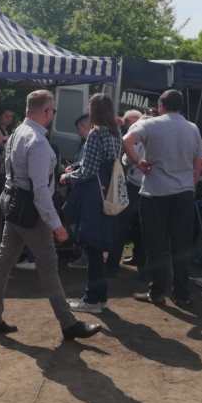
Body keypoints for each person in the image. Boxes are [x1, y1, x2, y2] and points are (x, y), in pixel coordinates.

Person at [0, 90, 101, 340]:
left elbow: (15, 176)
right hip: (30, 209)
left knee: (4, 260)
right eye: (52, 110)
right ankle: (69, 323)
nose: (52, 114)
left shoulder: (16, 134)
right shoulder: (36, 141)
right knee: (47, 264)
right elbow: (40, 190)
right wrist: (55, 224)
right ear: (47, 111)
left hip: (13, 202)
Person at [124, 89, 202, 308]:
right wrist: (191, 186)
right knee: (181, 246)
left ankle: (157, 292)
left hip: (155, 193)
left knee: (155, 246)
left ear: (161, 106)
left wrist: (138, 161)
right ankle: (182, 294)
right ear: (181, 107)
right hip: (183, 194)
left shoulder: (150, 124)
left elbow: (126, 140)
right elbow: (199, 163)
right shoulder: (192, 128)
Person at [61, 94, 122, 313]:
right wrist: (76, 166)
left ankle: (91, 300)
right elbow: (99, 164)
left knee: (93, 249)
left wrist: (68, 177)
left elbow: (89, 171)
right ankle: (101, 297)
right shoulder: (116, 133)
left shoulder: (96, 134)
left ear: (93, 109)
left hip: (93, 195)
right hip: (108, 192)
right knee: (97, 250)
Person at [105, 109, 145, 272]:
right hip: (151, 188)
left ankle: (112, 265)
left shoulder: (137, 134)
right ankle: (141, 265)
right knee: (141, 228)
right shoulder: (158, 132)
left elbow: (126, 158)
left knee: (120, 226)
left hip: (134, 185)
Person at [66, 113, 91, 270]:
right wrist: (73, 166)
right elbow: (81, 164)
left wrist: (68, 175)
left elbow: (86, 169)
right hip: (81, 188)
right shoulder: (85, 143)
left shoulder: (90, 143)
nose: (78, 132)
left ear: (84, 127)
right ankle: (85, 254)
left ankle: (86, 256)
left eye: (79, 129)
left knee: (80, 220)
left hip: (84, 190)